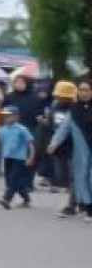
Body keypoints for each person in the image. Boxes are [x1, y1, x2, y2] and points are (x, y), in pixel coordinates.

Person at [47, 80, 92, 220]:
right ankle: (88, 207)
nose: (83, 93)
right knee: (82, 177)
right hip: (81, 150)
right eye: (81, 90)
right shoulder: (73, 110)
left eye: (87, 90)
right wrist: (53, 143)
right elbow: (64, 128)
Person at [0, 105, 35, 209]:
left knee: (13, 179)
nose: (6, 118)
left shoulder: (21, 129)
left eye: (9, 116)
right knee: (12, 181)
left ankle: (6, 199)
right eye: (5, 116)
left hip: (19, 158)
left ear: (16, 117)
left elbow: (30, 143)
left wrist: (31, 157)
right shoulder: (2, 129)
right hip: (8, 157)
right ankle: (26, 198)